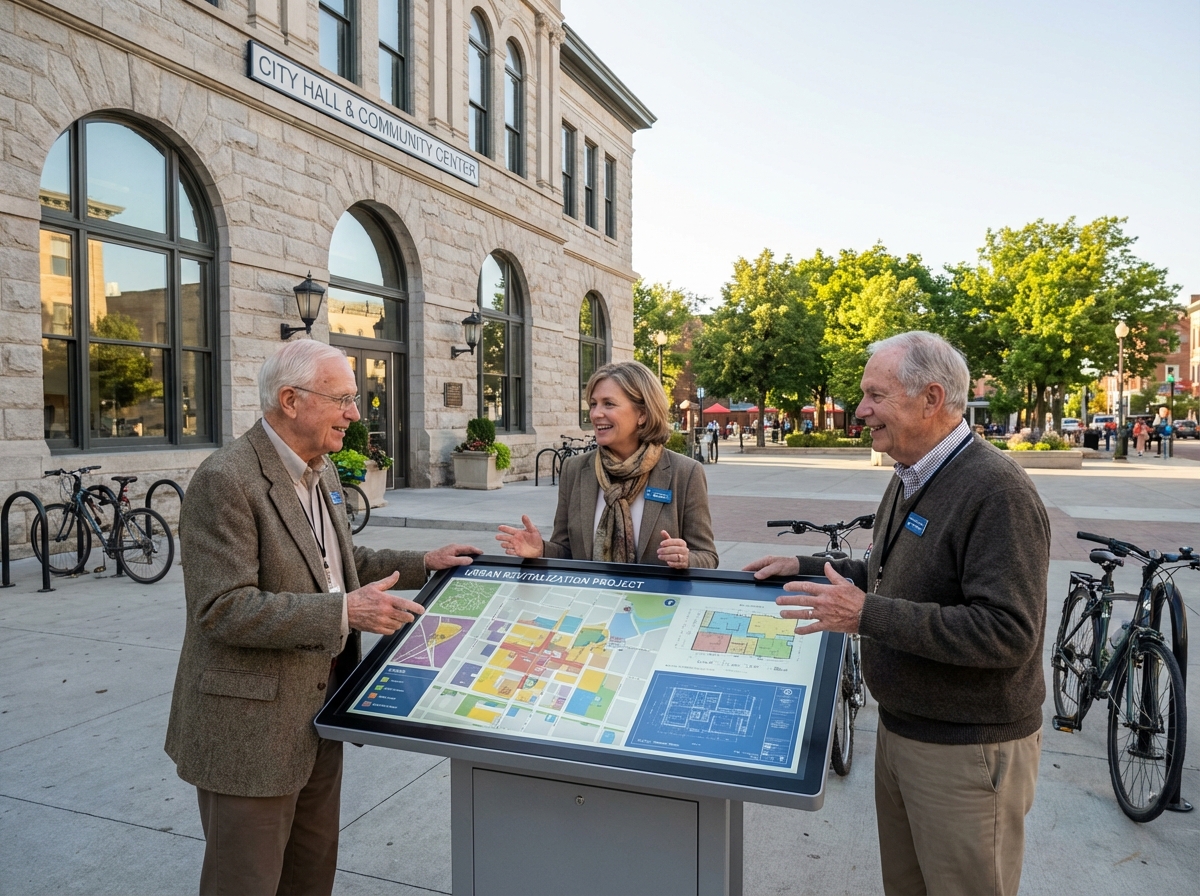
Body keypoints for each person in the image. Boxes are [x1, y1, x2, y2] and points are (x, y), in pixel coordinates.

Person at [165, 339, 482, 896]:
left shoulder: (323, 469)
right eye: (343, 400)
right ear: (291, 400)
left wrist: (424, 563)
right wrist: (344, 611)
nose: (355, 414)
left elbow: (339, 563)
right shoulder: (226, 480)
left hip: (319, 715)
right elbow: (222, 609)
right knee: (246, 883)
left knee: (310, 876)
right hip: (250, 734)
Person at [745, 331, 1048, 896]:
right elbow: (890, 575)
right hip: (903, 731)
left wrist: (867, 615)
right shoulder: (912, 475)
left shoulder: (997, 491)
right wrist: (805, 566)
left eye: (875, 395)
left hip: (965, 751)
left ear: (931, 399)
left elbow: (1008, 632)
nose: (860, 410)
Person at [497, 360, 717, 568]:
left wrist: (686, 558)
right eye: (593, 404)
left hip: (656, 596)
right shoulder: (575, 470)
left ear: (642, 414)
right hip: (591, 595)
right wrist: (541, 550)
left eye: (608, 404)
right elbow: (567, 551)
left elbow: (707, 556)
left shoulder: (684, 473)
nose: (595, 414)